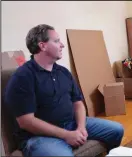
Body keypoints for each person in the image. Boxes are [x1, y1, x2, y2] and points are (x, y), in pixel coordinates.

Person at [4, 24, 124, 156]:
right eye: (56, 41)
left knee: (117, 129)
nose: (62, 45)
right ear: (42, 46)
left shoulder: (63, 72)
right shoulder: (23, 77)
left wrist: (81, 127)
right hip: (39, 137)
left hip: (71, 124)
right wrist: (67, 135)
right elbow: (27, 122)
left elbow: (78, 103)